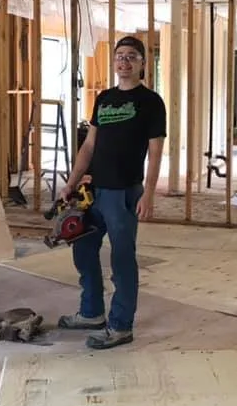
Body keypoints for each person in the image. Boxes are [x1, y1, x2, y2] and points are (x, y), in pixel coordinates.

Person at [57, 35, 166, 349]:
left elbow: (156, 152)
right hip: (93, 192)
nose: (124, 61)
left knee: (121, 260)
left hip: (123, 194)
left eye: (132, 56)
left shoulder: (151, 102)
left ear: (142, 63)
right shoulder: (104, 98)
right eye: (120, 56)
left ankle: (120, 326)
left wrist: (149, 194)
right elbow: (89, 145)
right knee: (84, 250)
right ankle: (91, 312)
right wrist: (71, 183)